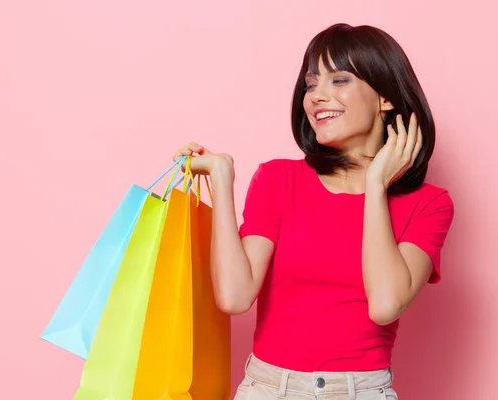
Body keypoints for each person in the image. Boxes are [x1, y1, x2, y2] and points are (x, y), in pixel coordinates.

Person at [173, 23, 454, 400]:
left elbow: (386, 304)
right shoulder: (278, 180)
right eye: (310, 84)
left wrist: (375, 185)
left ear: (385, 97)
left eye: (339, 80)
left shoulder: (429, 204)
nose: (317, 96)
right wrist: (223, 180)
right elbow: (235, 296)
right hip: (268, 389)